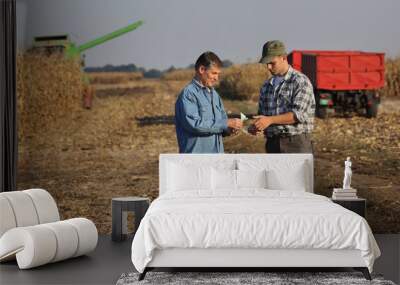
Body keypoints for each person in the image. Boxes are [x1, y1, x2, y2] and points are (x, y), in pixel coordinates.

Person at [248, 40, 315, 153]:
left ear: (283, 58)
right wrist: (258, 126)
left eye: (272, 63)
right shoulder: (266, 86)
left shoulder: (300, 81)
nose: (269, 67)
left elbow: (298, 115)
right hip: (272, 143)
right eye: (266, 63)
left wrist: (269, 120)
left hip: (296, 143)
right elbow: (263, 116)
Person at [175, 51, 242, 153]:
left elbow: (221, 124)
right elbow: (195, 125)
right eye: (214, 73)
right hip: (196, 160)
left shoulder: (215, 95)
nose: (216, 78)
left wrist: (229, 129)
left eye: (218, 74)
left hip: (216, 158)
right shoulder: (188, 95)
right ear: (202, 69)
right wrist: (226, 123)